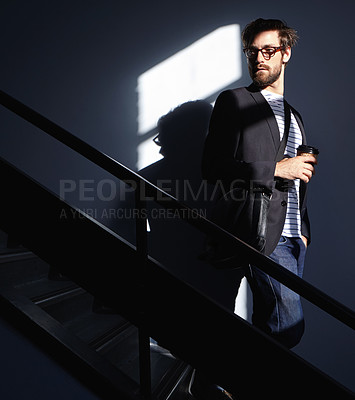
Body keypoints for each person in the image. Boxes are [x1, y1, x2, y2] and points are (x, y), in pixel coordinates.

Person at [202, 17, 318, 349]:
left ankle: (229, 386)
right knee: (288, 327)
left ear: (286, 52)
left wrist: (305, 232)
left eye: (268, 50)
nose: (259, 58)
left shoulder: (295, 116)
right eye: (252, 51)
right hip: (262, 232)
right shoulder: (234, 101)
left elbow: (299, 182)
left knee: (269, 322)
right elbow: (212, 167)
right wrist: (277, 169)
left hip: (295, 236)